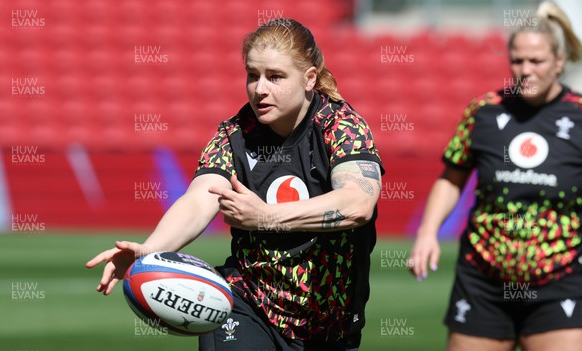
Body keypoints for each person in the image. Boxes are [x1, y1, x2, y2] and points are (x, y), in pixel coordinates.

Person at [87, 18, 383, 351]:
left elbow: (358, 204)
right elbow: (200, 199)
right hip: (246, 305)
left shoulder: (341, 126)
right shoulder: (235, 134)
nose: (260, 88)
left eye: (275, 77)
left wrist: (267, 216)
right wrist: (151, 249)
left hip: (331, 326)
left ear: (309, 79)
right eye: (252, 75)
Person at [409, 2, 582, 350]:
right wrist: (428, 232)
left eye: (537, 61)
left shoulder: (579, 116)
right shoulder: (484, 111)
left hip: (560, 281)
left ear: (559, 62)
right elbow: (451, 178)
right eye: (517, 61)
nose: (525, 70)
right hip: (483, 282)